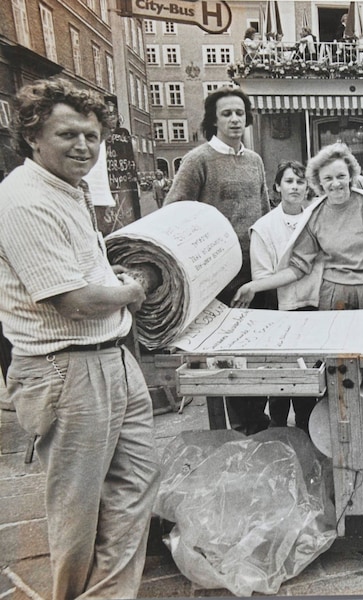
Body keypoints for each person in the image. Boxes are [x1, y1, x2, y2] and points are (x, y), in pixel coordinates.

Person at [0, 78, 159, 600]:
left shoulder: (69, 189)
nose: (84, 147)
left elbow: (82, 273)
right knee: (77, 507)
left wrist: (110, 278)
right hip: (65, 368)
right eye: (68, 134)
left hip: (108, 355)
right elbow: (70, 299)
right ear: (32, 136)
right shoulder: (24, 199)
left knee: (134, 485)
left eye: (92, 136)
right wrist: (131, 289)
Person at [165, 86, 271, 435]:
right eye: (226, 113)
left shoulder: (254, 161)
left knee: (258, 349)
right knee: (228, 354)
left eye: (240, 113)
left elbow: (265, 211)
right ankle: (241, 425)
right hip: (218, 275)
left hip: (254, 270)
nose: (235, 119)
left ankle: (256, 417)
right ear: (213, 120)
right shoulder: (198, 160)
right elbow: (174, 212)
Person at [232, 142, 363, 320]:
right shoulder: (315, 215)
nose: (336, 183)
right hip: (334, 297)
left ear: (351, 176)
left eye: (341, 176)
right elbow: (298, 267)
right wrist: (253, 286)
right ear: (319, 182)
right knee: (339, 349)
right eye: (328, 178)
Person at [248, 161, 319, 433]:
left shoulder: (315, 219)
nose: (295, 187)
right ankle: (278, 431)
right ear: (277, 186)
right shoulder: (264, 227)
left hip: (312, 306)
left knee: (308, 379)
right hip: (279, 307)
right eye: (289, 181)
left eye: (301, 182)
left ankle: (307, 432)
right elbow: (261, 276)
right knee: (281, 379)